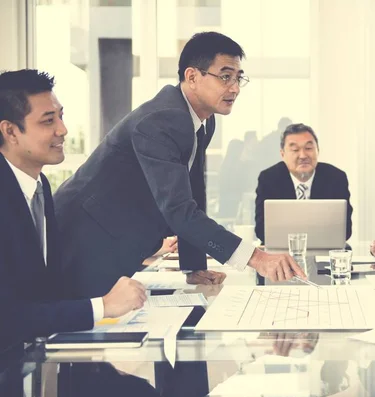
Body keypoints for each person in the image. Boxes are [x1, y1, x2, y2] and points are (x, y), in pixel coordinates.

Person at [53, 32, 306, 298]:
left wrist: (193, 265)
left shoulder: (202, 120)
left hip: (112, 240)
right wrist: (257, 258)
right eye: (225, 76)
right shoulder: (162, 120)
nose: (234, 88)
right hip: (84, 241)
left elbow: (193, 192)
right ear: (192, 77)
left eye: (238, 77)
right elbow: (179, 210)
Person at [0, 69, 146, 349]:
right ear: (10, 131)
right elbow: (7, 316)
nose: (62, 130)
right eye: (48, 121)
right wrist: (102, 307)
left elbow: (46, 290)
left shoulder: (39, 185)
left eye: (60, 116)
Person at [254, 123, 353, 243]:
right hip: (281, 253)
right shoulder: (269, 179)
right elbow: (261, 230)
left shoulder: (336, 177)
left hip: (325, 252)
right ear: (282, 154)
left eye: (309, 148)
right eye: (295, 149)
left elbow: (345, 231)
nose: (303, 155)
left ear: (318, 150)